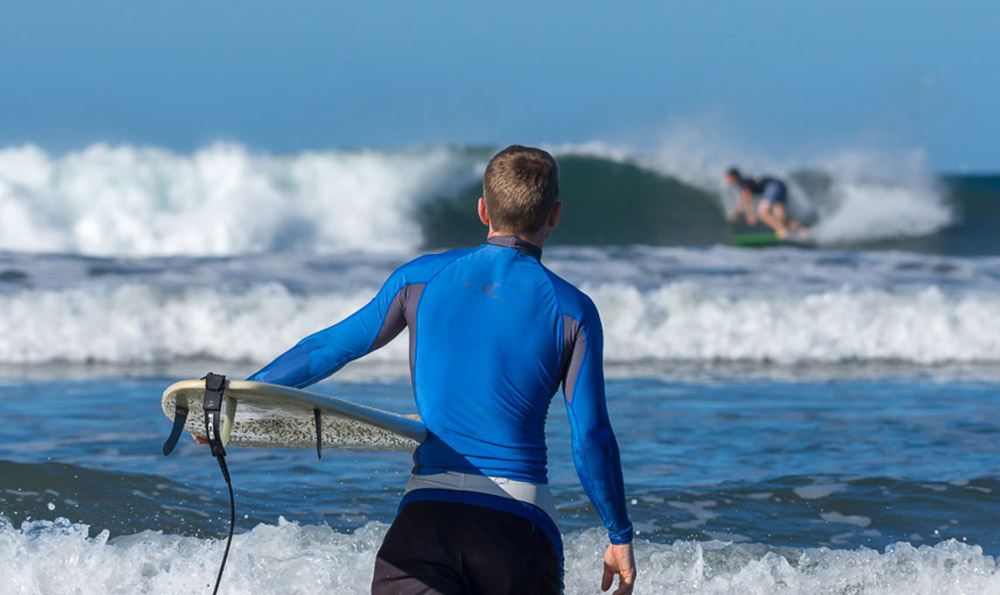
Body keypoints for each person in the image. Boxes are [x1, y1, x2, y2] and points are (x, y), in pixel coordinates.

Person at [240, 145, 635, 594]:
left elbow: (330, 348)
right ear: (555, 214)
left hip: (426, 523)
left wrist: (239, 397)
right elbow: (590, 437)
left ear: (483, 209)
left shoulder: (418, 279)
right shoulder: (574, 311)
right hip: (520, 528)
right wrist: (619, 534)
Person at [725, 167, 806, 238]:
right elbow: (742, 199)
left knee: (763, 214)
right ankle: (803, 231)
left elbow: (747, 196)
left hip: (772, 186)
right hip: (781, 185)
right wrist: (736, 213)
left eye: (728, 178)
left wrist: (750, 214)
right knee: (781, 218)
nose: (727, 180)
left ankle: (782, 231)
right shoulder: (745, 182)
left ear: (734, 177)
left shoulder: (742, 183)